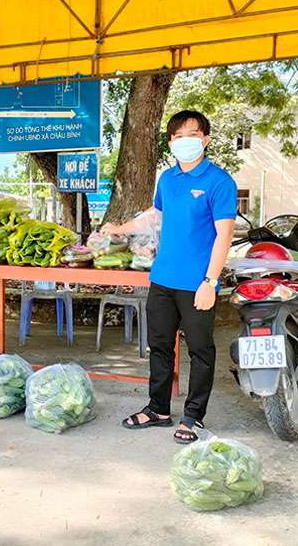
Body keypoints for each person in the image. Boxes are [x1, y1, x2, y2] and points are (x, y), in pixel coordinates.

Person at [102, 110, 237, 443]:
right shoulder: (168, 178)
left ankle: (193, 416)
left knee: (201, 351)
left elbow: (224, 236)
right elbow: (156, 215)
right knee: (160, 346)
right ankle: (158, 409)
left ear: (205, 139)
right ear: (171, 143)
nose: (184, 141)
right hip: (163, 278)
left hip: (197, 284)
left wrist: (210, 282)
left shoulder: (219, 181)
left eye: (191, 134)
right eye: (177, 136)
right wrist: (120, 228)